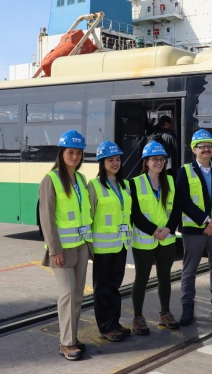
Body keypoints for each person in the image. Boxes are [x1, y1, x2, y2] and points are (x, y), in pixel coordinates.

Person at [39, 130, 93, 361]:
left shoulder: (81, 179)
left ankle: (71, 336)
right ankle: (66, 343)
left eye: (78, 153)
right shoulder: (50, 179)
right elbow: (46, 218)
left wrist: (89, 244)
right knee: (68, 294)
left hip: (80, 246)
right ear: (61, 153)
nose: (75, 156)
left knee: (78, 295)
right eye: (70, 152)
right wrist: (55, 250)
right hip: (62, 249)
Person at [176, 129, 212, 325]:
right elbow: (183, 201)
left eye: (209, 146)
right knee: (189, 270)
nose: (206, 149)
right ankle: (187, 308)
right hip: (194, 230)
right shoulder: (184, 171)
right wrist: (206, 221)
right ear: (194, 149)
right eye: (202, 147)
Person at [130, 141, 180, 335]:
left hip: (166, 238)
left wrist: (168, 229)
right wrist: (153, 230)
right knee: (141, 279)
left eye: (162, 159)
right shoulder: (135, 183)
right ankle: (137, 317)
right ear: (146, 161)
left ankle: (165, 313)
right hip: (144, 238)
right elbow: (134, 213)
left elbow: (176, 208)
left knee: (165, 277)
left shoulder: (171, 181)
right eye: (154, 159)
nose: (159, 162)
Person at [87, 141, 133, 342]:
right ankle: (105, 327)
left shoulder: (125, 184)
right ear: (101, 162)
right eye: (110, 160)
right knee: (103, 288)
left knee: (115, 286)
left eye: (117, 159)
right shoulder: (94, 185)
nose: (115, 163)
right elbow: (88, 216)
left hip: (121, 245)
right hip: (103, 247)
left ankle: (114, 322)